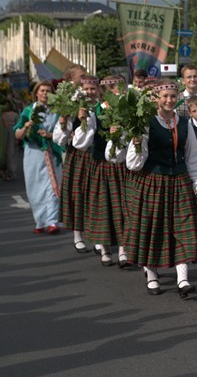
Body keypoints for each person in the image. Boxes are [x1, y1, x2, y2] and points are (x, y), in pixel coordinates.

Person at [125, 81, 197, 297]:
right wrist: (136, 143)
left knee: (182, 227)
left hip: (179, 180)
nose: (169, 100)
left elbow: (192, 155)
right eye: (165, 96)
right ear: (156, 98)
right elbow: (133, 163)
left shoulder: (184, 123)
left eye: (173, 96)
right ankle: (152, 275)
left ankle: (183, 280)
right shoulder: (145, 123)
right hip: (154, 180)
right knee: (155, 227)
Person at [74, 75, 128, 267]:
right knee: (102, 206)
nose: (115, 90)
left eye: (117, 87)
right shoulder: (95, 110)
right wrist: (83, 122)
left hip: (122, 165)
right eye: (111, 87)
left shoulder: (126, 108)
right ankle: (105, 248)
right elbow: (81, 142)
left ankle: (123, 249)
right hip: (101, 164)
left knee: (123, 207)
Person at [54, 74, 100, 252]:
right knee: (78, 194)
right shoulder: (72, 108)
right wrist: (64, 122)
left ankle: (96, 236)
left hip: (98, 156)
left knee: (95, 196)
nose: (89, 92)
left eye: (92, 88)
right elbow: (60, 139)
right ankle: (77, 235)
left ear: (98, 90)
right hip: (79, 156)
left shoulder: (102, 107)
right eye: (86, 89)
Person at [13, 81, 63, 234]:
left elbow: (63, 133)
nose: (45, 93)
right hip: (33, 154)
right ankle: (40, 221)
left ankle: (52, 221)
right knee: (35, 188)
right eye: (42, 91)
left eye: (48, 91)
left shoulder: (57, 112)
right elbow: (18, 135)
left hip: (51, 152)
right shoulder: (28, 111)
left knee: (53, 186)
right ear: (36, 93)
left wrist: (49, 135)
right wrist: (26, 126)